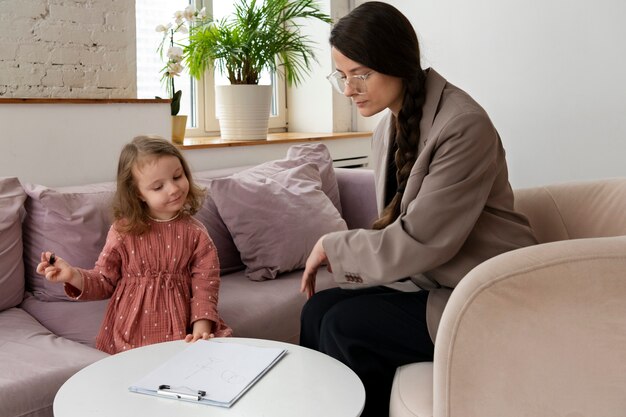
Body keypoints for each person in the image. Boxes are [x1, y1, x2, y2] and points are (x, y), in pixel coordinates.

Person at [299, 2, 537, 416]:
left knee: (344, 326)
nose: (350, 89)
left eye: (362, 74)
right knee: (318, 309)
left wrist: (332, 246)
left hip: (481, 291)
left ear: (397, 63)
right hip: (434, 282)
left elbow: (423, 240)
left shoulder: (463, 125)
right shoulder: (387, 129)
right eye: (343, 76)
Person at [36, 135, 232, 354]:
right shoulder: (123, 232)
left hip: (183, 328)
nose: (173, 189)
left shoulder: (196, 233)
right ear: (138, 194)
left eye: (178, 176)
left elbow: (206, 284)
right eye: (158, 187)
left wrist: (201, 326)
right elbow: (103, 281)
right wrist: (71, 275)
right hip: (129, 332)